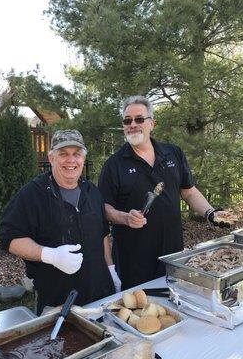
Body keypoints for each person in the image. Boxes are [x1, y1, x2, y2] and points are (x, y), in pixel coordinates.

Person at [98, 95, 230, 290]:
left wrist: (211, 213)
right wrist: (126, 218)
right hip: (134, 262)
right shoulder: (113, 165)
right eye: (127, 120)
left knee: (175, 307)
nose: (132, 124)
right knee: (141, 315)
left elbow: (189, 192)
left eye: (139, 119)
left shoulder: (173, 153)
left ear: (152, 123)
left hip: (172, 256)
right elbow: (104, 208)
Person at [0, 129, 121, 315]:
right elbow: (10, 239)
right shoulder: (32, 195)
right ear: (51, 158)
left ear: (83, 158)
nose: (71, 160)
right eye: (63, 154)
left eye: (76, 154)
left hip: (100, 294)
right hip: (58, 302)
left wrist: (111, 269)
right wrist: (51, 255)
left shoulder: (92, 191)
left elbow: (102, 233)